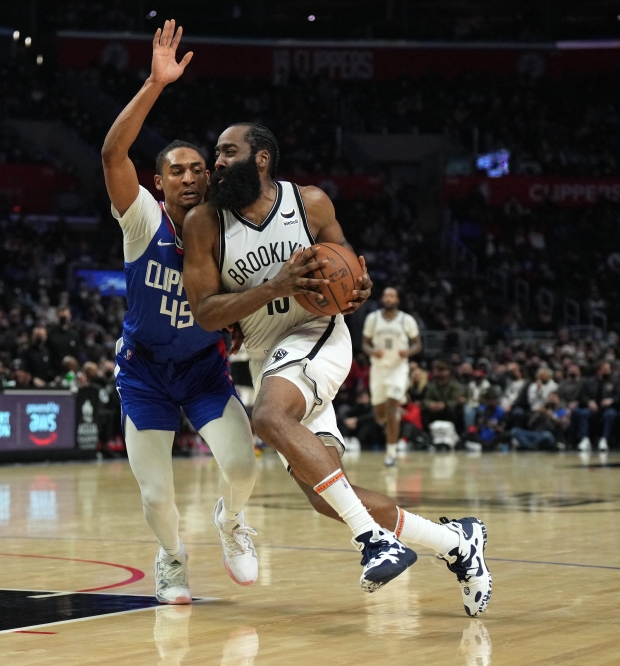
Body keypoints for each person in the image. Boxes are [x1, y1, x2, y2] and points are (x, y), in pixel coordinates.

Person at [182, 119, 491, 615]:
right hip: (266, 355)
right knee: (327, 495)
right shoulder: (204, 223)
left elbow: (346, 262)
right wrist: (271, 289)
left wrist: (359, 286)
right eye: (215, 152)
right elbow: (204, 313)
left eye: (227, 152)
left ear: (261, 158)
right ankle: (456, 542)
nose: (216, 162)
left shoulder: (309, 203)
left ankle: (372, 540)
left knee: (267, 418)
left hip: (316, 334)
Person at [101, 20, 258, 605]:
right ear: (159, 181)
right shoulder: (142, 217)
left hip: (202, 369)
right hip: (145, 372)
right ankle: (171, 557)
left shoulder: (228, 227)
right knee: (155, 497)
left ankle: (231, 521)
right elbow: (113, 151)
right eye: (177, 170)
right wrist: (155, 83)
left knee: (242, 468)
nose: (190, 176)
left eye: (199, 168)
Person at [362, 287, 421, 467]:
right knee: (380, 415)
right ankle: (391, 425)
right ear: (382, 299)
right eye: (386, 295)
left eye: (392, 295)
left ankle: (391, 453)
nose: (388, 298)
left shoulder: (406, 320)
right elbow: (364, 343)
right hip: (379, 369)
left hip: (398, 369)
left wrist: (408, 352)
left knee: (391, 407)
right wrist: (372, 351)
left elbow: (418, 344)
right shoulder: (373, 319)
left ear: (397, 300)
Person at [575, 361, 620, 453]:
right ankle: (585, 439)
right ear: (599, 370)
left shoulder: (615, 381)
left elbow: (619, 396)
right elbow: (582, 396)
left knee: (610, 414)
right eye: (606, 369)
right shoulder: (588, 381)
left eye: (609, 369)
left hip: (607, 408)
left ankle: (604, 440)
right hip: (592, 408)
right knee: (583, 413)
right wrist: (589, 402)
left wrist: (611, 400)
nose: (608, 371)